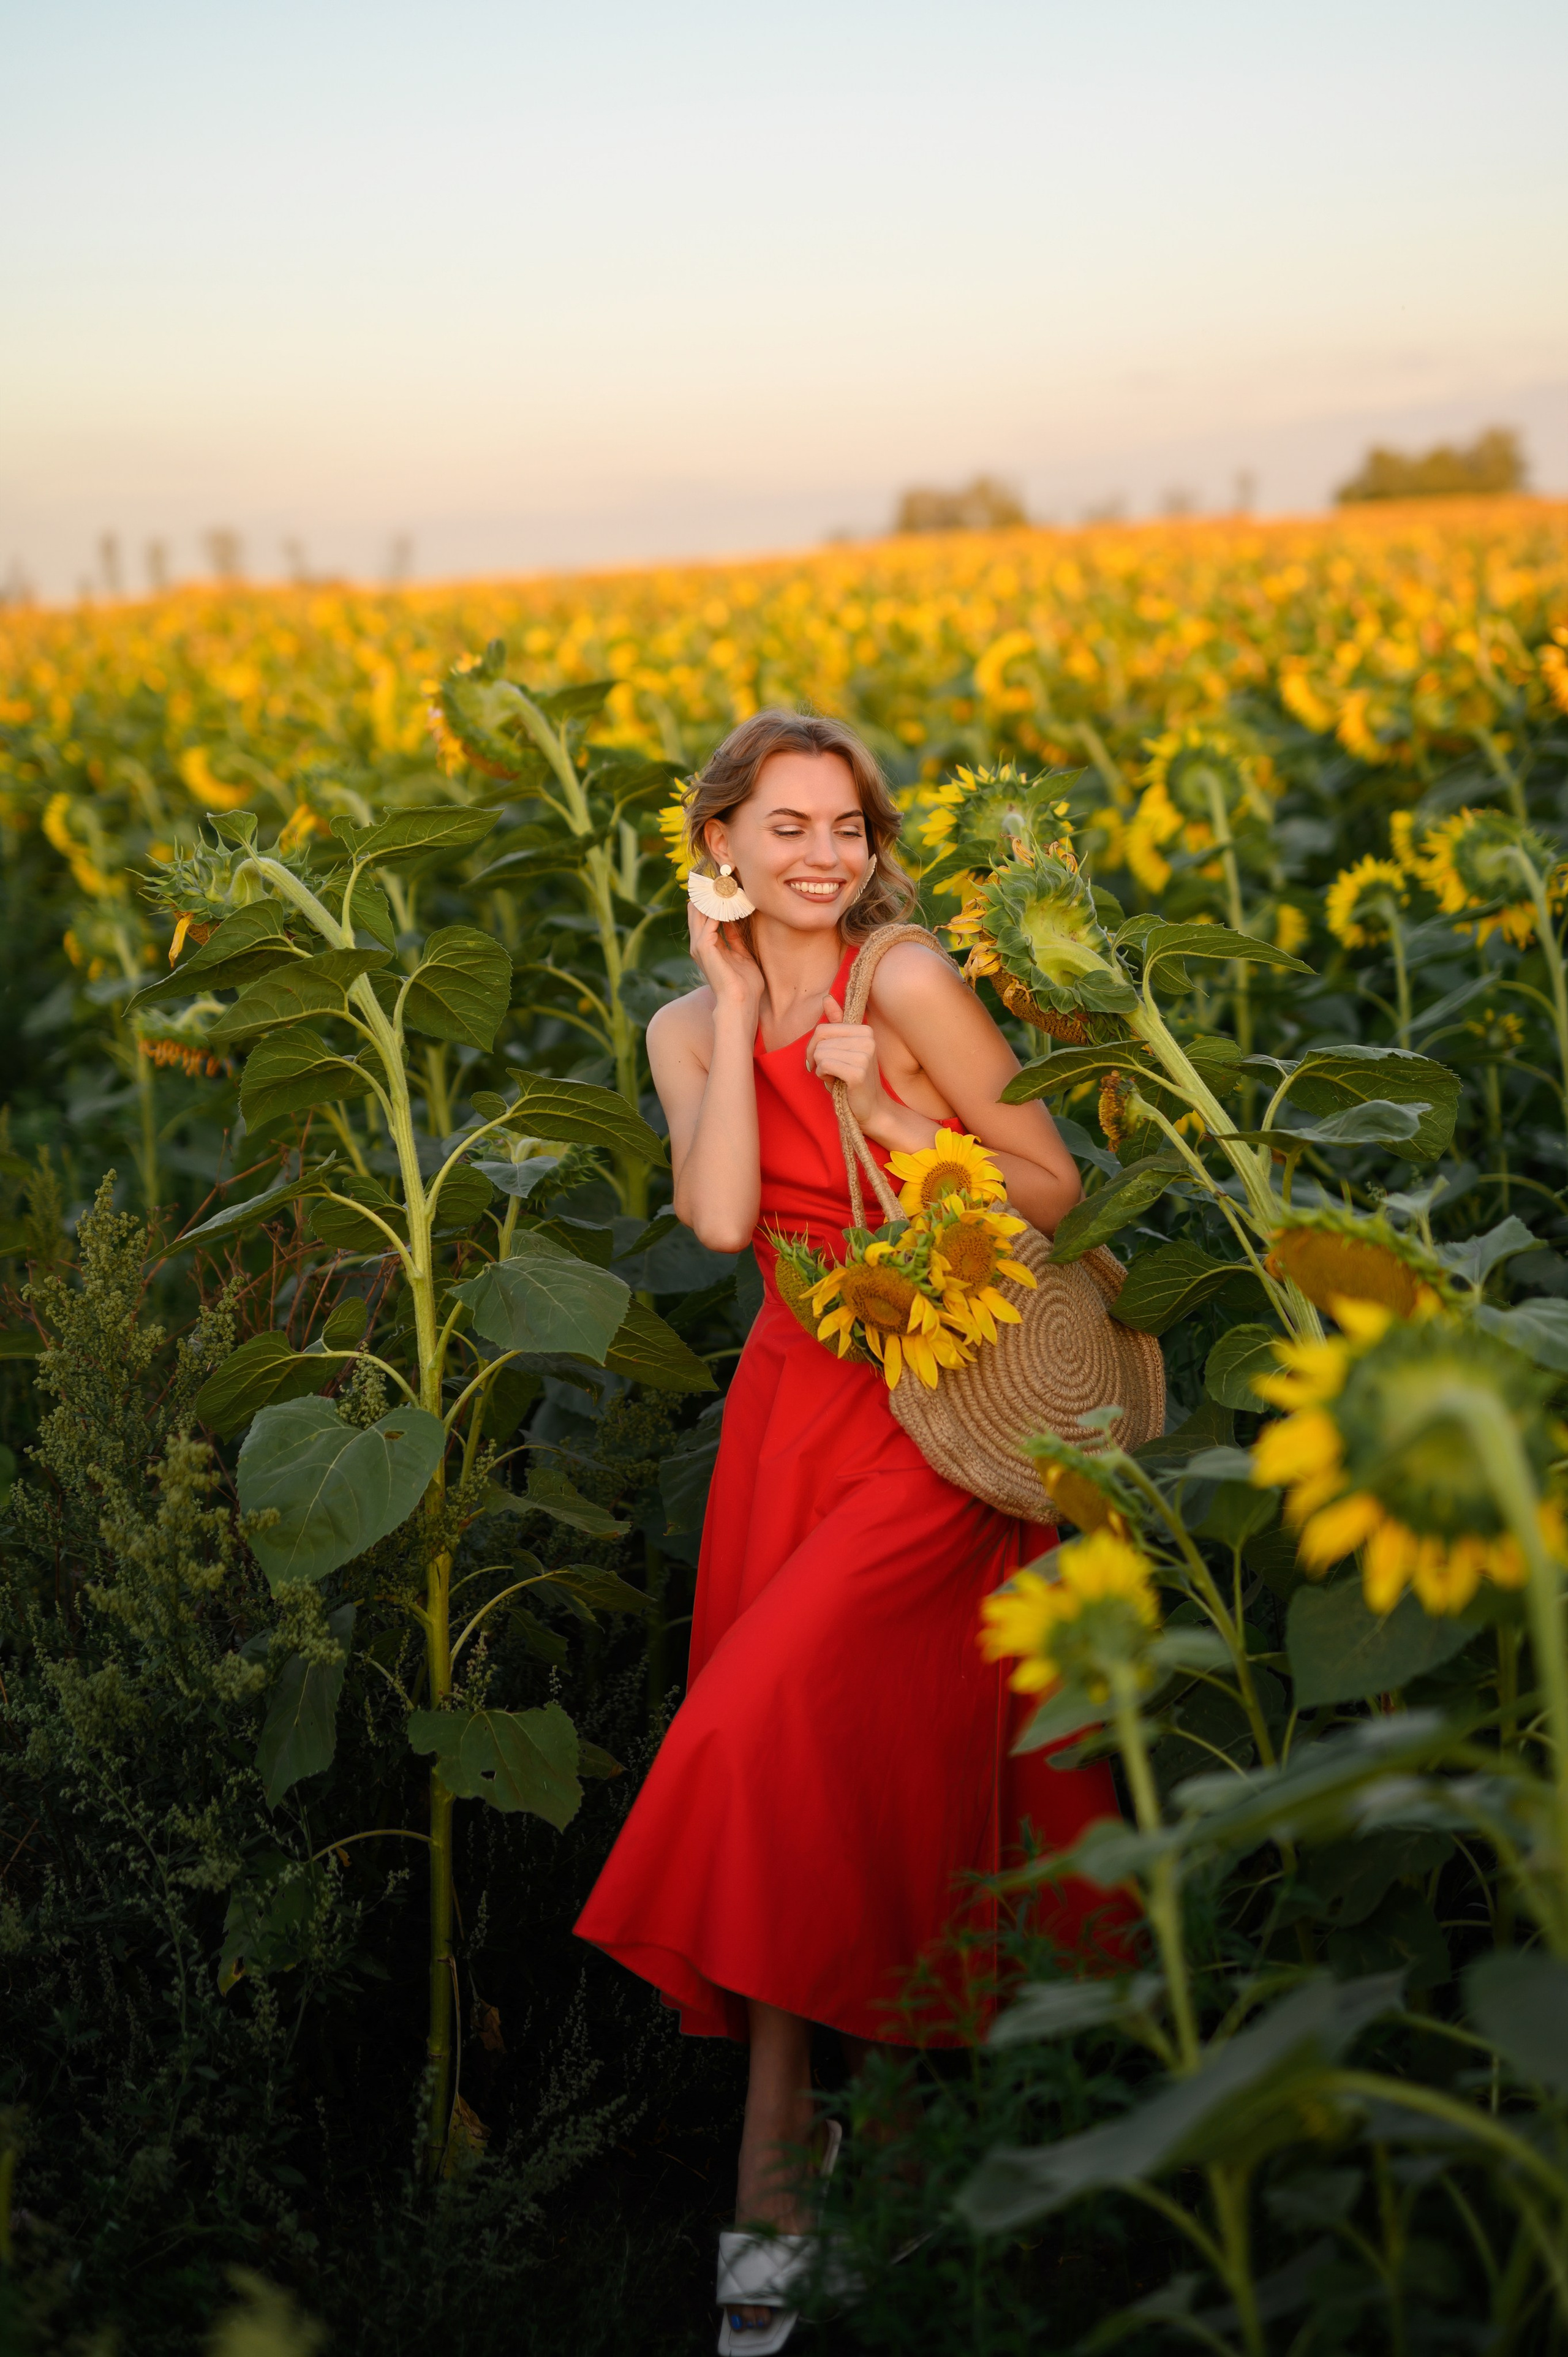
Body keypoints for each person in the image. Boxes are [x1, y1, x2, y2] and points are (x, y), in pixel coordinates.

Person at [574, 711, 1124, 2350]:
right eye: (785, 829)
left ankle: (779, 2168)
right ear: (719, 847)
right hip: (790, 1416)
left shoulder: (908, 982)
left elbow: (1060, 1184)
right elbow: (727, 1221)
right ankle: (831, 2144)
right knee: (846, 1777)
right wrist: (743, 1011)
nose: (822, 859)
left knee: (755, 1731)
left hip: (937, 1405)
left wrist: (893, 1119)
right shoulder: (688, 1024)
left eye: (846, 830)